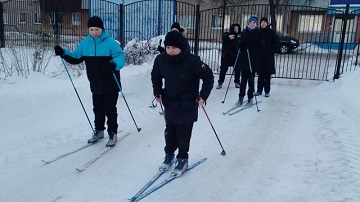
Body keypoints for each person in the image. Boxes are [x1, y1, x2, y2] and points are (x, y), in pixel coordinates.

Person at [54, 16, 126, 147]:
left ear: (102, 29)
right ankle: (99, 131)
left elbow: (121, 57)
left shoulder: (111, 43)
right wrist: (63, 52)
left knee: (110, 109)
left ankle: (112, 133)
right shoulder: (85, 43)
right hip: (95, 84)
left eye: (97, 29)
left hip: (110, 84)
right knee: (97, 109)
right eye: (91, 29)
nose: (94, 32)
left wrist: (114, 63)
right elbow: (76, 57)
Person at [151, 31, 214, 177]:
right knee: (170, 132)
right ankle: (169, 155)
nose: (170, 50)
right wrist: (157, 91)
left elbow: (208, 76)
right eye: (168, 47)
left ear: (181, 47)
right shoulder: (161, 60)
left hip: (188, 103)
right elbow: (156, 75)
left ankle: (183, 158)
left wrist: (203, 96)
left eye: (174, 48)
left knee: (183, 133)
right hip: (170, 102)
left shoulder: (193, 61)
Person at [236, 16, 261, 107]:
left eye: (254, 23)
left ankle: (250, 98)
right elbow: (240, 44)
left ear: (256, 24)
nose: (252, 24)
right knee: (243, 81)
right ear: (248, 23)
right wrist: (241, 45)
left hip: (253, 60)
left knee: (251, 80)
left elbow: (259, 46)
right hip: (244, 60)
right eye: (251, 22)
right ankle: (241, 98)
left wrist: (251, 47)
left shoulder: (258, 33)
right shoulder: (244, 32)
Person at [254, 17, 279, 97]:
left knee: (267, 75)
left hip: (268, 57)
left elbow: (277, 42)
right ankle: (259, 90)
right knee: (260, 75)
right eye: (262, 22)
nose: (263, 23)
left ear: (267, 23)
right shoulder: (257, 32)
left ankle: (267, 91)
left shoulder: (271, 32)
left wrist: (272, 49)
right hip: (259, 56)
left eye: (265, 22)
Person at [216, 23, 241, 89]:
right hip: (226, 56)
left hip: (235, 56)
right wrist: (228, 37)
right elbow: (224, 36)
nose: (236, 30)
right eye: (235, 28)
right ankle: (220, 82)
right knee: (223, 69)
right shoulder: (227, 34)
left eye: (237, 29)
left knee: (237, 69)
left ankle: (237, 81)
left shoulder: (239, 38)